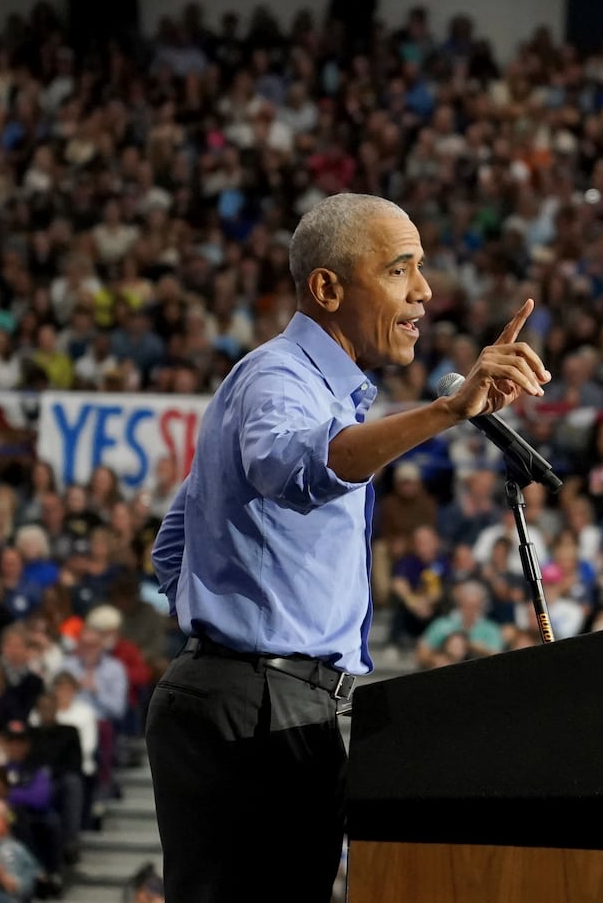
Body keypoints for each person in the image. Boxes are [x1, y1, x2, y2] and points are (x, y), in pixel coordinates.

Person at [145, 193, 550, 902]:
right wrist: (447, 411)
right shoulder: (280, 378)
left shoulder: (313, 393)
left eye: (421, 269)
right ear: (329, 287)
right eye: (400, 270)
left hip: (258, 696)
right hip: (258, 707)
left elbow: (174, 544)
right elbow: (295, 467)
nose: (423, 291)